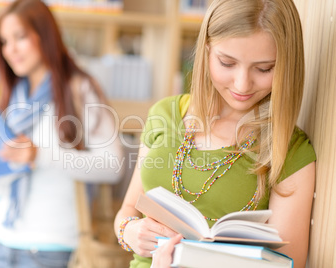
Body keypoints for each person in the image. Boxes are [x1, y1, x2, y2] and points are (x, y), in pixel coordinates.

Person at [114, 0, 316, 267]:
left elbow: (288, 262)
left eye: (264, 68)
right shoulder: (165, 114)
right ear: (206, 50)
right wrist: (130, 231)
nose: (242, 84)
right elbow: (127, 212)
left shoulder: (291, 150)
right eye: (227, 63)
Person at [0, 0, 123, 267]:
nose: (10, 50)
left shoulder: (79, 89)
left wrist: (41, 155)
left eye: (20, 37)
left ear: (45, 36)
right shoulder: (14, 97)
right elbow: (11, 180)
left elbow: (114, 165)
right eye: (4, 41)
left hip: (51, 249)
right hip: (1, 243)